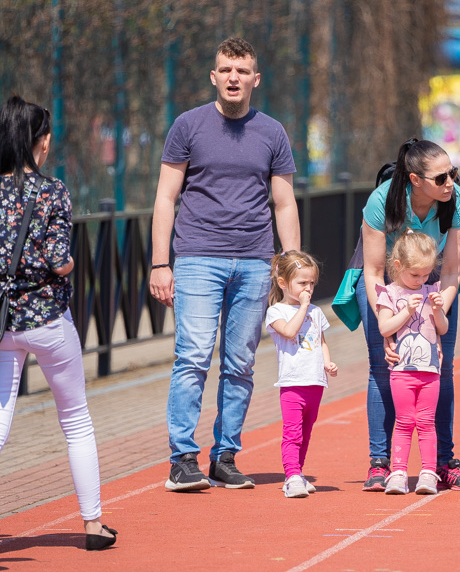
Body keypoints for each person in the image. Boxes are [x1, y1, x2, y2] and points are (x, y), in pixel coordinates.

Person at [150, 36, 300, 492]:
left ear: (255, 79)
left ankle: (226, 456)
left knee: (240, 363)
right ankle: (182, 459)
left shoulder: (272, 132)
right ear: (214, 76)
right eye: (225, 70)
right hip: (196, 259)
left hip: (255, 262)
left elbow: (284, 203)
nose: (233, 78)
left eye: (242, 71)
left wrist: (293, 270)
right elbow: (165, 196)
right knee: (192, 357)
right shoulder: (188, 126)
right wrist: (161, 264)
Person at [0, 96, 117, 550]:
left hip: (3, 321)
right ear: (39, 143)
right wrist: (67, 263)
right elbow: (56, 259)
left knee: (1, 419)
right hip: (48, 319)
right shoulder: (52, 191)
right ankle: (92, 526)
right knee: (76, 420)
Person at [358, 138, 460, 492]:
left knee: (441, 369)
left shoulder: (459, 204)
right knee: (383, 366)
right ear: (414, 180)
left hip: (436, 285)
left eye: (452, 173)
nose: (450, 183)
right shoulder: (382, 202)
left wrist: (438, 309)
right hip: (387, 288)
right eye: (440, 178)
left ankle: (443, 463)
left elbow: (453, 270)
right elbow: (373, 271)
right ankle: (380, 464)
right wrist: (387, 327)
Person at [375, 231, 449, 495]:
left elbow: (442, 329)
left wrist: (438, 310)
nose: (421, 280)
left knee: (427, 422)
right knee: (405, 422)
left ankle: (428, 473)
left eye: (425, 274)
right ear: (398, 266)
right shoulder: (390, 293)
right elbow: (385, 328)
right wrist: (406, 310)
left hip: (430, 371)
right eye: (414, 275)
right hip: (402, 372)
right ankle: (398, 472)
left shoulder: (432, 290)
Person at [265, 251, 337, 499]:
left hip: (315, 382)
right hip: (292, 383)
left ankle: (299, 473)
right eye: (302, 283)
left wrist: (327, 363)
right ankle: (291, 475)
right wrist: (303, 306)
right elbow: (288, 332)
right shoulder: (276, 312)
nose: (309, 288)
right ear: (283, 283)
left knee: (306, 432)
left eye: (311, 283)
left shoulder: (316, 312)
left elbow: (321, 341)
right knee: (292, 432)